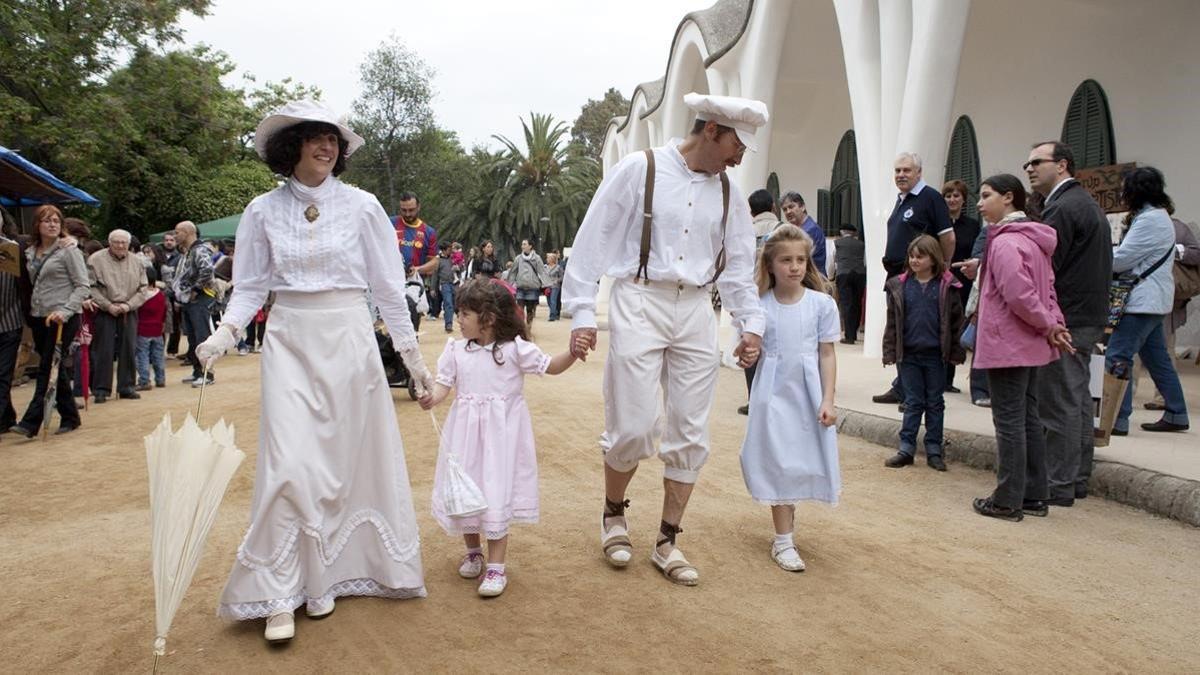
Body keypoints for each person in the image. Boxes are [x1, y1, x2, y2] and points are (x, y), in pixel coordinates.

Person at [196, 100, 434, 643]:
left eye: (333, 140)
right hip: (289, 341)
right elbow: (252, 286)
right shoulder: (261, 211)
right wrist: (223, 334)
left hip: (350, 340)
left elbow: (389, 289)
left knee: (347, 465)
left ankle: (333, 578)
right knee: (288, 464)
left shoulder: (365, 207)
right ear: (290, 148)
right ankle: (279, 593)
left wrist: (415, 361)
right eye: (315, 139)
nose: (327, 148)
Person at [563, 92, 767, 586]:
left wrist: (750, 324)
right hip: (639, 299)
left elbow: (739, 266)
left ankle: (667, 539)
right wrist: (582, 312)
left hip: (697, 308)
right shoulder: (641, 168)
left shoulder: (730, 194)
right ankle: (614, 513)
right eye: (738, 144)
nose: (741, 157)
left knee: (691, 429)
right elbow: (593, 241)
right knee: (634, 425)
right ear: (711, 131)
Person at [419, 280, 577, 596]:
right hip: (464, 437)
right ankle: (473, 552)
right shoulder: (455, 350)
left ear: (488, 318)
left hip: (501, 441)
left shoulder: (514, 350)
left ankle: (496, 567)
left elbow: (551, 366)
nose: (459, 319)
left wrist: (573, 352)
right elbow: (443, 385)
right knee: (467, 490)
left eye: (465, 313)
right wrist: (432, 398)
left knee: (495, 492)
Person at [970, 174, 1073, 521]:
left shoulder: (1005, 243)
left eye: (986, 196)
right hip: (1029, 342)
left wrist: (1048, 323)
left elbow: (1019, 295)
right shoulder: (1034, 240)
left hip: (1007, 342)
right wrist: (1053, 324)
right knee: (1028, 417)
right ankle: (1033, 494)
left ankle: (1007, 498)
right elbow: (1048, 292)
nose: (980, 204)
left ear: (1008, 198)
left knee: (1010, 421)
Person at [738, 225, 839, 572]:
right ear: (770, 264)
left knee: (799, 460)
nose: (794, 267)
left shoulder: (822, 305)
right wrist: (746, 355)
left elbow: (826, 353)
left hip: (808, 394)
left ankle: (787, 528)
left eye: (800, 259)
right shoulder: (759, 308)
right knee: (778, 459)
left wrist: (828, 398)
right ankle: (783, 541)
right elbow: (749, 351)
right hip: (772, 394)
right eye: (785, 260)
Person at [1024, 140, 1112, 502]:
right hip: (1087, 315)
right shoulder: (1085, 204)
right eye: (1027, 163)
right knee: (1074, 398)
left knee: (1058, 400)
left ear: (1061, 165)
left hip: (1069, 317)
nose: (1029, 169)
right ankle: (1075, 479)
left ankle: (1059, 483)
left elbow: (1048, 270)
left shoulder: (1061, 208)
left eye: (1036, 162)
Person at [1101, 167, 1190, 438]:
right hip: (1152, 300)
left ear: (1136, 190)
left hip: (1141, 301)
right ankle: (1176, 412)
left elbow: (1123, 259)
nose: (1122, 193)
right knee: (1157, 359)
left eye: (1125, 188)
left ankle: (1118, 418)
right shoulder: (1158, 216)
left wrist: (1100, 254)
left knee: (1118, 356)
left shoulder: (1149, 219)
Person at [873, 153, 955, 405]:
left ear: (919, 172)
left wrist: (942, 269)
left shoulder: (930, 197)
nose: (901, 175)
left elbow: (948, 237)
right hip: (898, 277)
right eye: (897, 170)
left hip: (919, 279)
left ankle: (913, 393)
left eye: (907, 170)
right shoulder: (901, 200)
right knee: (899, 331)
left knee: (915, 333)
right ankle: (902, 386)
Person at [881, 235, 965, 472]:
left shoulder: (946, 287)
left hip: (936, 356)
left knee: (935, 402)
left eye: (921, 256)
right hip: (908, 355)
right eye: (912, 256)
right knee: (912, 402)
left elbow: (956, 323)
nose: (915, 260)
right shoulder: (900, 286)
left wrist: (956, 352)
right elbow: (892, 323)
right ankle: (906, 447)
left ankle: (934, 449)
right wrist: (889, 350)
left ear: (934, 258)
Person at [10, 205, 88, 437]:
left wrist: (65, 310)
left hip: (62, 317)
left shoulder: (69, 250)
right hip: (39, 317)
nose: (52, 224)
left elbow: (83, 286)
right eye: (47, 221)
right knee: (54, 367)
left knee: (47, 367)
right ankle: (70, 416)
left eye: (56, 220)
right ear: (37, 225)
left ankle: (30, 422)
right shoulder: (29, 250)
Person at [86, 229, 148, 403]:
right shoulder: (95, 260)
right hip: (105, 309)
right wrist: (107, 305)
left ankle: (127, 386)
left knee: (129, 347)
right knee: (103, 350)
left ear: (129, 244)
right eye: (116, 242)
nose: (120, 246)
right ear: (109, 243)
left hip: (129, 309)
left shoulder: (138, 261)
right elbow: (90, 287)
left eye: (124, 243)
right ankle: (100, 389)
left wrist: (129, 305)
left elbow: (143, 288)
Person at [738, 189, 782, 415]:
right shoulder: (782, 231)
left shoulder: (744, 230)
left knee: (750, 348)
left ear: (751, 210)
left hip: (749, 298)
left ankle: (753, 397)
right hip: (776, 297)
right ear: (773, 206)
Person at [943, 180, 980, 393]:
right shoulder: (938, 223)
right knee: (941, 328)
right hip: (942, 282)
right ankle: (938, 376)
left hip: (964, 284)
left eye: (956, 195)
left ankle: (949, 377)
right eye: (948, 196)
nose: (952, 199)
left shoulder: (973, 225)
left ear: (963, 199)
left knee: (957, 329)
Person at [171, 221, 216, 387]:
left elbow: (207, 271)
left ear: (188, 232)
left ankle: (207, 374)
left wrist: (195, 290)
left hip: (199, 299)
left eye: (177, 232)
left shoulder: (200, 250)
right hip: (189, 300)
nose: (175, 236)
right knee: (192, 337)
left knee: (202, 337)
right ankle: (197, 371)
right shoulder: (189, 252)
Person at [134, 267, 167, 390]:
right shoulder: (160, 295)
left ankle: (144, 380)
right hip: (157, 329)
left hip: (143, 329)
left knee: (142, 355)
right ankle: (160, 379)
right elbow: (164, 312)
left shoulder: (141, 296)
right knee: (158, 356)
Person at [833, 223, 866, 344]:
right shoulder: (862, 245)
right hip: (860, 274)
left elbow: (833, 260)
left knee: (846, 304)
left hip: (844, 273)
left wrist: (831, 275)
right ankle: (854, 332)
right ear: (853, 233)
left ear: (842, 232)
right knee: (857, 303)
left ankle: (849, 336)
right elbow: (865, 260)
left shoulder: (836, 243)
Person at [780, 192, 826, 274]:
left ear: (803, 207)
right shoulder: (799, 229)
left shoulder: (810, 230)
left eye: (791, 207)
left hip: (814, 281)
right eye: (785, 209)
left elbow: (801, 260)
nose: (788, 212)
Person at [510, 239, 550, 327]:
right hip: (520, 288)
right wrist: (509, 285)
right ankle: (520, 328)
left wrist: (547, 285)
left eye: (524, 244)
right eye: (522, 244)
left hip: (532, 288)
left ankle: (528, 326)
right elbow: (513, 272)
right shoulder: (518, 258)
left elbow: (542, 272)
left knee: (529, 310)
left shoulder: (537, 258)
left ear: (530, 246)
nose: (522, 246)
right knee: (519, 309)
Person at [433, 241, 457, 333]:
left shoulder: (453, 259)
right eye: (448, 249)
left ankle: (450, 318)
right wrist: (432, 288)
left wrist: (458, 268)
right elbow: (435, 275)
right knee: (448, 303)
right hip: (444, 284)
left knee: (455, 303)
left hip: (454, 283)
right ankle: (448, 324)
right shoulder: (438, 260)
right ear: (443, 250)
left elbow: (461, 267)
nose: (450, 251)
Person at [545, 251, 564, 321]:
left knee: (553, 300)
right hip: (547, 286)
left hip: (555, 286)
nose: (547, 259)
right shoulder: (545, 267)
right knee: (549, 301)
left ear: (552, 259)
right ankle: (555, 312)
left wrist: (557, 281)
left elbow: (562, 277)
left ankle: (552, 316)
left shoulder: (558, 267)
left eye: (548, 258)